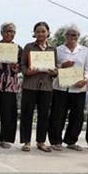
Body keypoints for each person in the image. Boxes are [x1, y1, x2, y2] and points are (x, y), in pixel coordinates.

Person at [48, 24, 88, 152]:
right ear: (65, 36)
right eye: (69, 35)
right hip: (61, 87)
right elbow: (52, 67)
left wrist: (85, 79)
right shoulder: (58, 50)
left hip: (78, 88)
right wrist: (63, 65)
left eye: (75, 35)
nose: (72, 37)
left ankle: (71, 141)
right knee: (58, 114)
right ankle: (56, 141)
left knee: (77, 115)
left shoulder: (84, 50)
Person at [20, 21, 57, 152]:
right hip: (30, 85)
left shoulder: (52, 49)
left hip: (46, 86)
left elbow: (55, 68)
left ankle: (41, 141)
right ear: (34, 33)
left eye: (43, 31)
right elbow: (22, 65)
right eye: (38, 31)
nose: (40, 34)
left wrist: (55, 72)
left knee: (43, 115)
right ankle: (26, 142)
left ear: (48, 33)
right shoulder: (29, 47)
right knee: (27, 114)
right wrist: (28, 72)